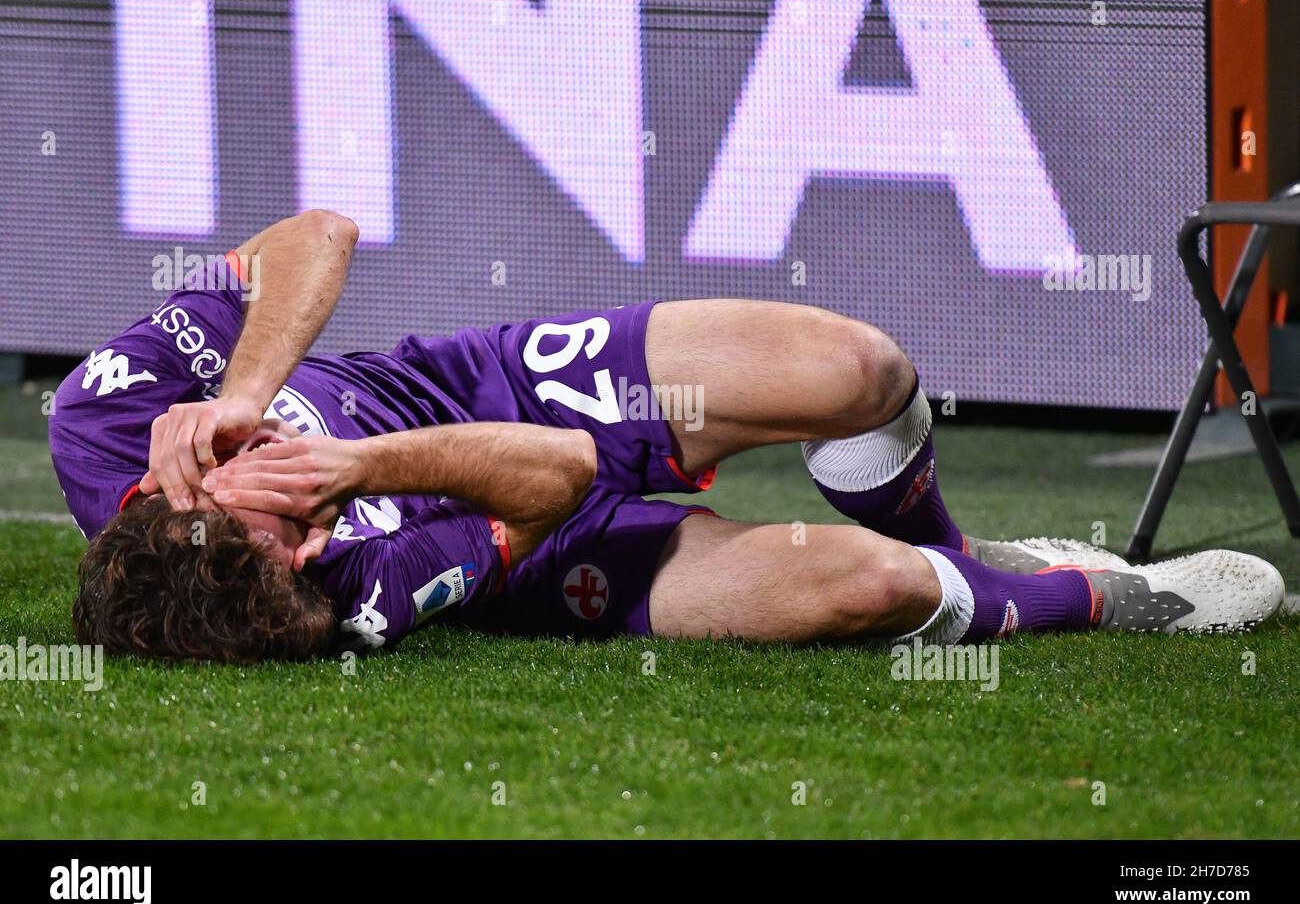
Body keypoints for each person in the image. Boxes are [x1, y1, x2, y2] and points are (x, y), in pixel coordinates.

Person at [53, 212, 1285, 662]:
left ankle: (977, 543)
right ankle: (1097, 596)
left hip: (480, 385)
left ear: (183, 499)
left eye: (285, 533)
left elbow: (315, 234)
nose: (312, 547)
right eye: (306, 559)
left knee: (855, 369)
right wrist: (358, 476)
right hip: (532, 539)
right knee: (866, 584)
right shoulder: (341, 598)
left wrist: (244, 387)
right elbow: (561, 481)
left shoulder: (103, 420)